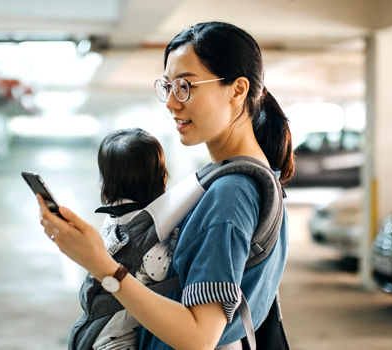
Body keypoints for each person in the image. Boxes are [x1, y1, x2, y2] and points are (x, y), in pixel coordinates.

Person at [38, 21, 294, 350]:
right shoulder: (252, 176)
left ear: (238, 90)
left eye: (186, 86)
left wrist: (101, 265)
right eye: (168, 86)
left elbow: (200, 337)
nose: (172, 103)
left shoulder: (231, 193)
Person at [92, 127, 175, 350]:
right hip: (118, 342)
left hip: (99, 331)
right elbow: (162, 271)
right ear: (160, 179)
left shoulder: (113, 217)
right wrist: (176, 237)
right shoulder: (145, 231)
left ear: (105, 183)